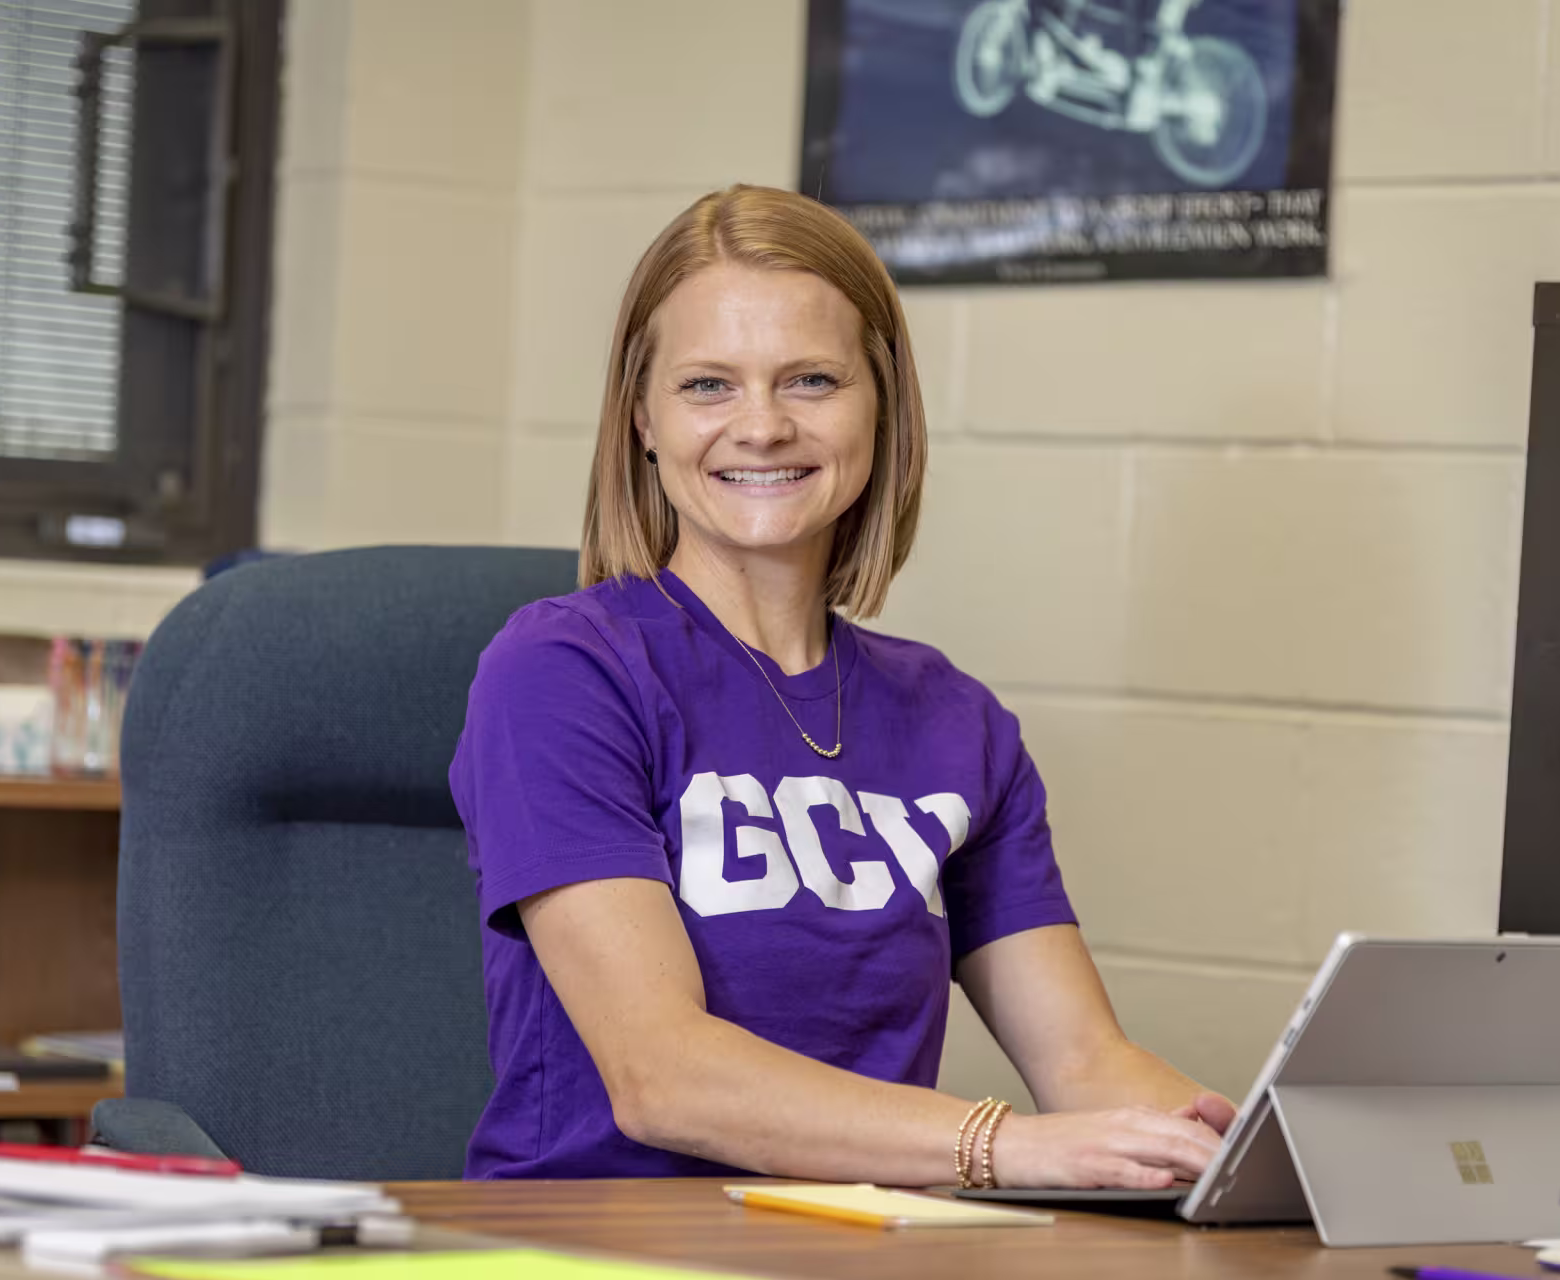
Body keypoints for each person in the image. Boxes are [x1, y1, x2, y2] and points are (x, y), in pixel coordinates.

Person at [450, 183, 1234, 1186]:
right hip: (605, 1245)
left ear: (882, 404)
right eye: (708, 386)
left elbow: (1082, 1059)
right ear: (642, 418)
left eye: (812, 379)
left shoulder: (958, 722)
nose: (763, 425)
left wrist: (1252, 1151)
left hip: (858, 1246)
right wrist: (1002, 1144)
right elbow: (662, 1076)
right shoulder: (565, 672)